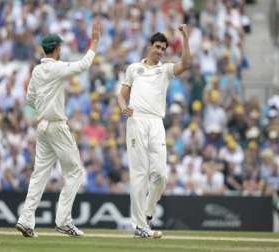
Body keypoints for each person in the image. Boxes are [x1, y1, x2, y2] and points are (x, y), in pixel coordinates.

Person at [15, 21, 101, 238]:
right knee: (75, 172)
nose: (61, 50)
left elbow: (30, 99)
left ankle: (26, 220)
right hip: (56, 126)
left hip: (43, 125)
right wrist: (95, 43)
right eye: (60, 47)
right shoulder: (56, 67)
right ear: (56, 49)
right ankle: (63, 221)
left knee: (39, 174)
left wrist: (44, 108)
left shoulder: (36, 70)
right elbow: (83, 65)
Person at [117, 24, 191, 238]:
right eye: (157, 47)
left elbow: (186, 63)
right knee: (139, 175)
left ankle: (148, 213)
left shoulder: (165, 70)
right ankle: (140, 226)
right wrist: (124, 108)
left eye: (163, 49)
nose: (160, 51)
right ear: (150, 46)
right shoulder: (133, 68)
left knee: (160, 175)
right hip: (136, 120)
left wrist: (185, 37)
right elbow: (122, 95)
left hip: (156, 122)